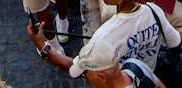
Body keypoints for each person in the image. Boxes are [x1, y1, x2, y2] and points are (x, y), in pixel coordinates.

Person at [25, 0, 181, 74]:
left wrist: (42, 46)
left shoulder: (104, 36)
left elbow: (75, 68)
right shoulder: (154, 11)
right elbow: (175, 43)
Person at [27, 32, 166, 88]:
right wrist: (43, 47)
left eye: (87, 77)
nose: (87, 79)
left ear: (101, 77)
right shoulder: (134, 65)